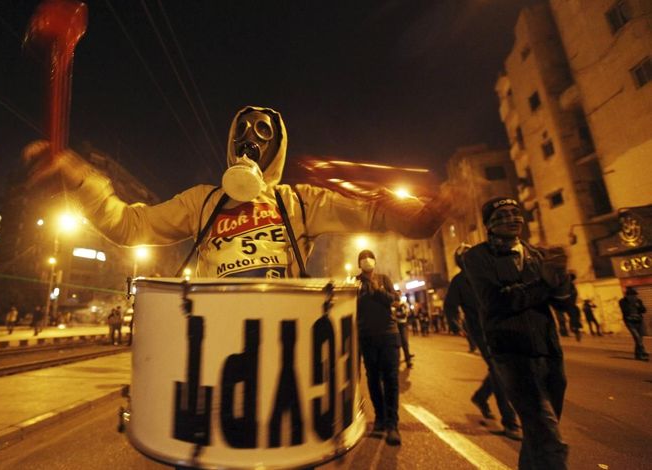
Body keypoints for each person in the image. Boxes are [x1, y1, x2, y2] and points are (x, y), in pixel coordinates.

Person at [23, 106, 459, 279]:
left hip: (283, 345)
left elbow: (377, 215)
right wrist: (80, 178)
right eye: (243, 130)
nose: (251, 139)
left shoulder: (300, 202)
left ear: (278, 146)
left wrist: (421, 215)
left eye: (263, 132)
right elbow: (129, 224)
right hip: (215, 349)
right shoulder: (202, 201)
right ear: (230, 142)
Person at [463, 196, 570, 470]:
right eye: (502, 215)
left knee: (537, 437)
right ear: (489, 224)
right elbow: (497, 301)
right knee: (550, 441)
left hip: (549, 353)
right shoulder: (477, 257)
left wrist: (561, 276)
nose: (512, 218)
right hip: (512, 355)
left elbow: (564, 302)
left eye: (515, 212)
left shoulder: (537, 255)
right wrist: (543, 283)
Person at [443, 243, 521, 440]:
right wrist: (455, 325)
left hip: (503, 328)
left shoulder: (490, 274)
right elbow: (450, 306)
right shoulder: (459, 282)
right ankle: (510, 422)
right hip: (482, 334)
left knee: (501, 369)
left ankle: (480, 397)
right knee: (498, 370)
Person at [356, 249, 402, 446]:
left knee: (391, 379)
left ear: (375, 261)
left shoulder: (384, 279)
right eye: (363, 258)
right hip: (367, 337)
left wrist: (378, 290)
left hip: (388, 334)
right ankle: (380, 419)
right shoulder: (354, 281)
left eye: (370, 257)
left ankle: (393, 425)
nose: (367, 260)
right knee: (373, 379)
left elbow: (394, 299)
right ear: (359, 264)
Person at [618, 287, 649, 361]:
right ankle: (643, 351)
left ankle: (638, 355)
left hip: (639, 321)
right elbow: (625, 311)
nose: (634, 297)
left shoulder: (638, 301)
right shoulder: (622, 301)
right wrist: (632, 305)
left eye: (635, 295)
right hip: (629, 322)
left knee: (639, 339)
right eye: (632, 296)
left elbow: (644, 310)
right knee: (637, 337)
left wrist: (638, 306)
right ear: (627, 296)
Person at [393, 293, 414, 368]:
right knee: (397, 343)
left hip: (403, 324)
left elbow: (406, 313)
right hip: (395, 325)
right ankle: (396, 361)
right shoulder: (392, 304)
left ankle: (408, 361)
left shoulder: (403, 304)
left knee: (405, 342)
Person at [565, 274, 582, 342]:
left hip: (571, 304)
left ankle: (575, 329)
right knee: (574, 316)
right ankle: (575, 330)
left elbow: (574, 294)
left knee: (575, 315)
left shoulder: (570, 285)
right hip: (570, 304)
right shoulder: (569, 285)